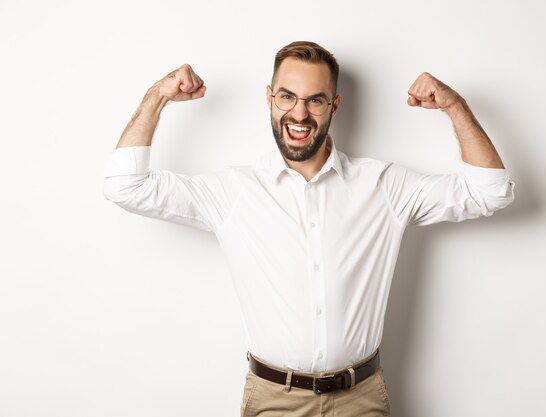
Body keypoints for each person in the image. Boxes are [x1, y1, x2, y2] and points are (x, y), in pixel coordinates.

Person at [103, 41, 515, 416]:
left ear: (334, 105)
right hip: (273, 401)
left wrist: (455, 107)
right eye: (287, 97)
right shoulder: (233, 192)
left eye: (314, 101)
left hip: (361, 400)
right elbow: (125, 187)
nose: (299, 114)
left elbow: (490, 192)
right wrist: (157, 97)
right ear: (270, 98)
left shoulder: (384, 186)